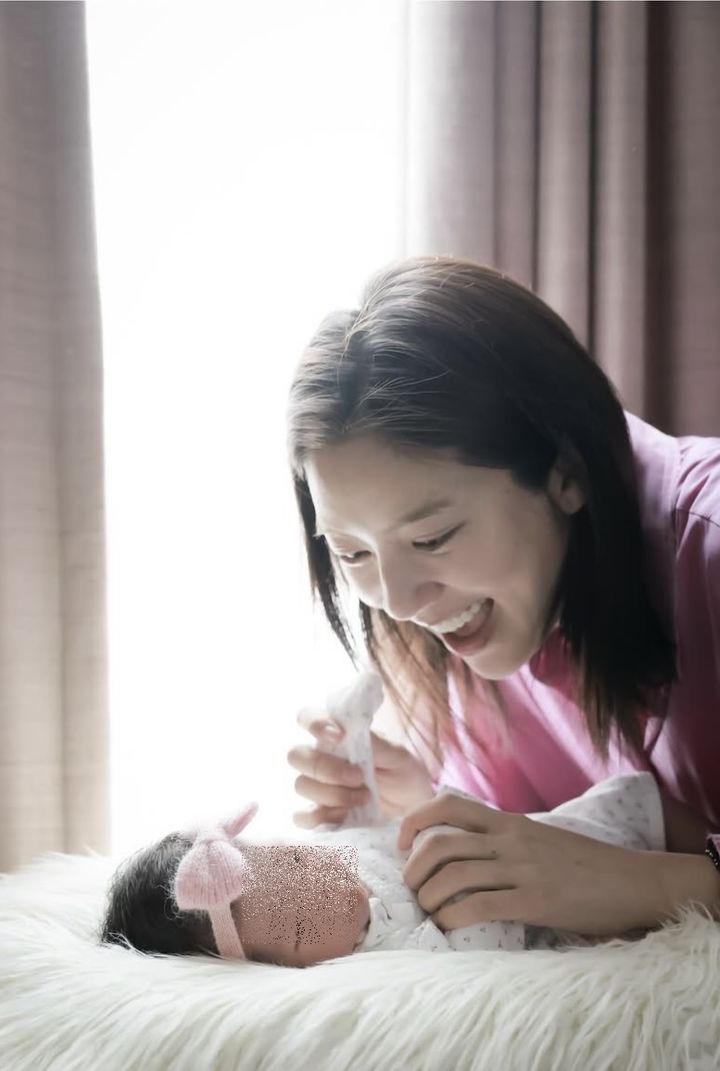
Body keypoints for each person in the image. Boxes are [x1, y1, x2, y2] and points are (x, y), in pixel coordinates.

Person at [285, 255, 720, 940]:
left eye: (432, 537)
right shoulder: (488, 622)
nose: (398, 600)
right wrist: (421, 802)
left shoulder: (708, 543)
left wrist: (646, 884)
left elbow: (594, 865)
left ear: (567, 472)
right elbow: (553, 847)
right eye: (352, 552)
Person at [99, 773, 667, 967]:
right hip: (561, 903)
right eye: (298, 928)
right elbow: (485, 954)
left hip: (553, 832)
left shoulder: (329, 862)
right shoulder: (388, 957)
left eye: (300, 862)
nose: (331, 895)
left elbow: (375, 831)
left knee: (636, 802)